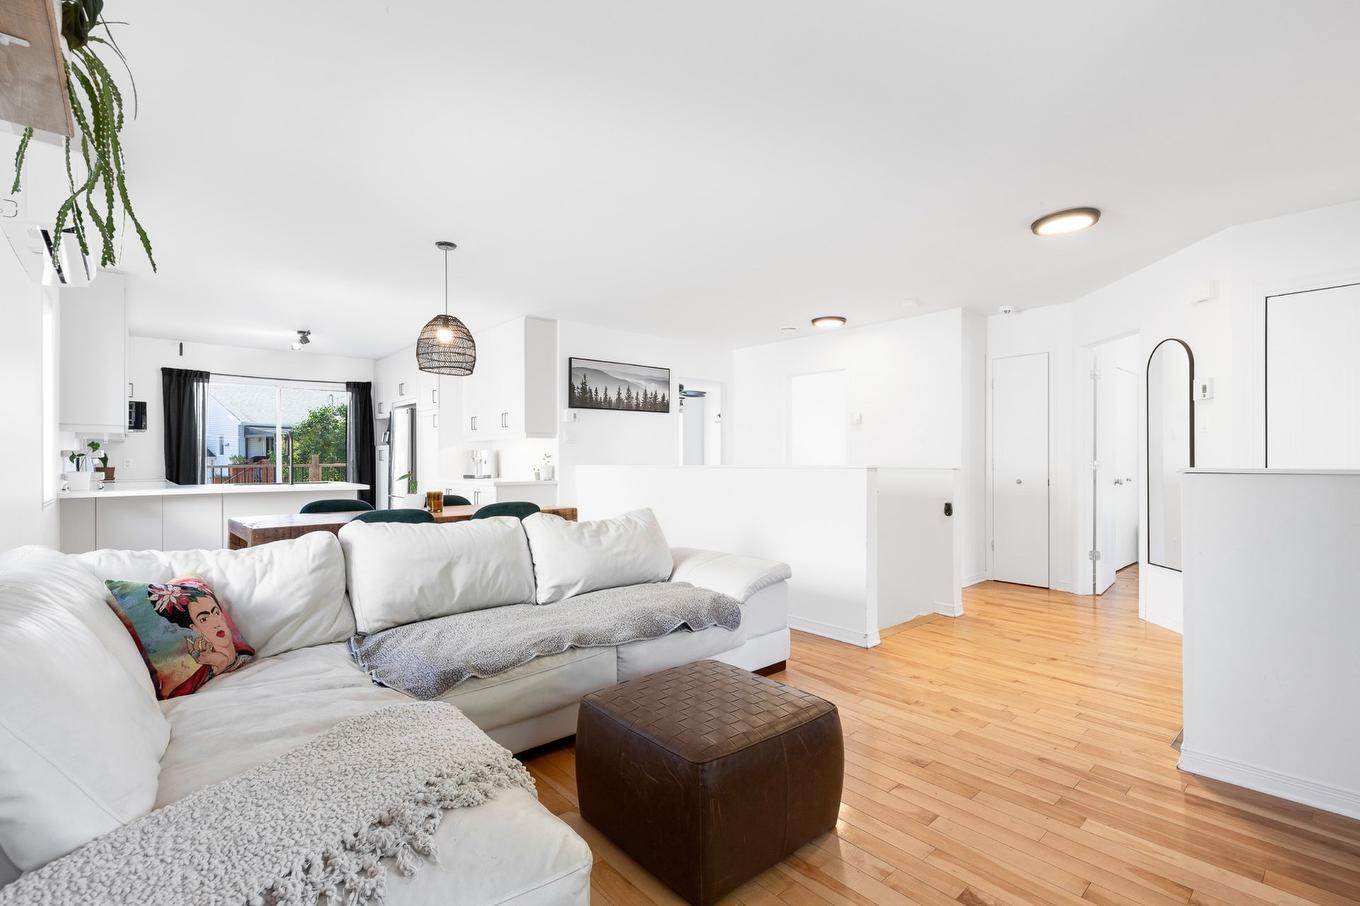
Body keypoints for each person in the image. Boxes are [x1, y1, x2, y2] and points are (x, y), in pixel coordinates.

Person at [150, 579, 252, 697]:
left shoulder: (243, 651)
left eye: (216, 613)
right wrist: (220, 660)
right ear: (195, 628)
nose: (216, 623)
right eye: (203, 619)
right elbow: (169, 694)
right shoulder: (199, 673)